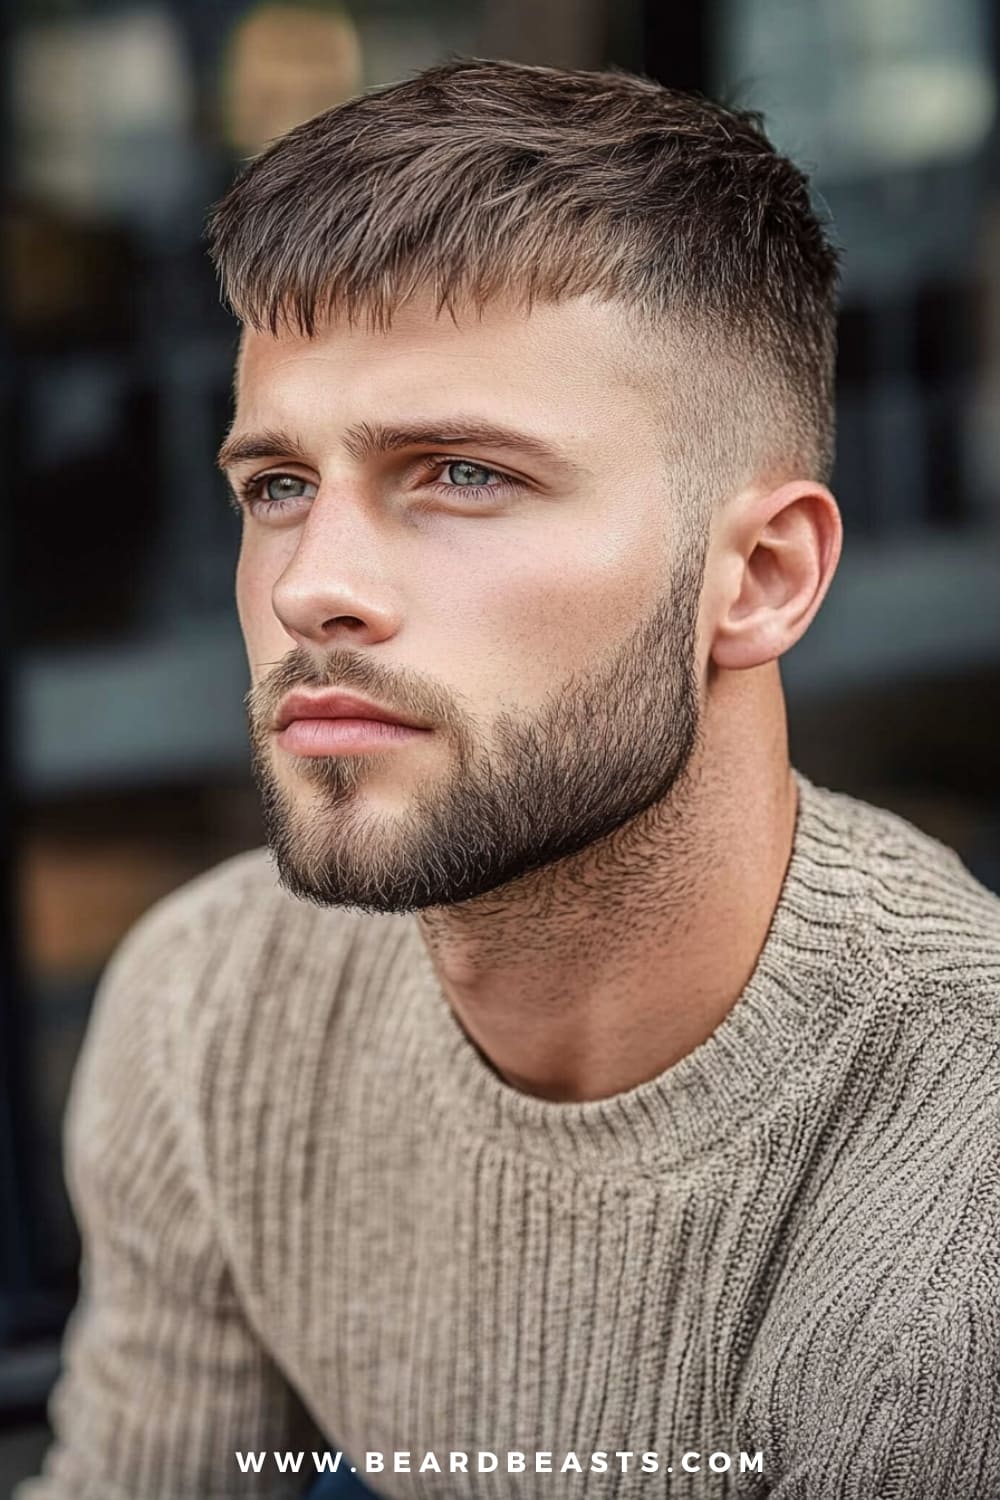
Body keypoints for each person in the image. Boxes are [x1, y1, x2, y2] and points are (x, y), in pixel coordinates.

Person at [17, 57, 1000, 1500]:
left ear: (760, 577)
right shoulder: (212, 1000)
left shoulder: (958, 1219)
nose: (313, 588)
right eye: (278, 486)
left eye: (463, 473)